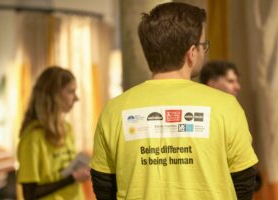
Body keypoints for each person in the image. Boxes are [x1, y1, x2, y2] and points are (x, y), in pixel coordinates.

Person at [91, 2, 258, 200]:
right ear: (191, 53)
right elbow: (244, 182)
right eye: (204, 45)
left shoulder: (114, 110)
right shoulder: (226, 107)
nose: (204, 51)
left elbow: (104, 186)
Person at [17, 66, 89, 200]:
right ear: (54, 94)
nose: (76, 98)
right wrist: (73, 178)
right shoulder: (33, 137)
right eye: (70, 92)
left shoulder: (67, 128)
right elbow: (29, 194)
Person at [199, 60, 263, 191]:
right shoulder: (201, 116)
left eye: (237, 81)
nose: (237, 87)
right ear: (212, 83)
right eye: (230, 81)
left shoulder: (233, 111)